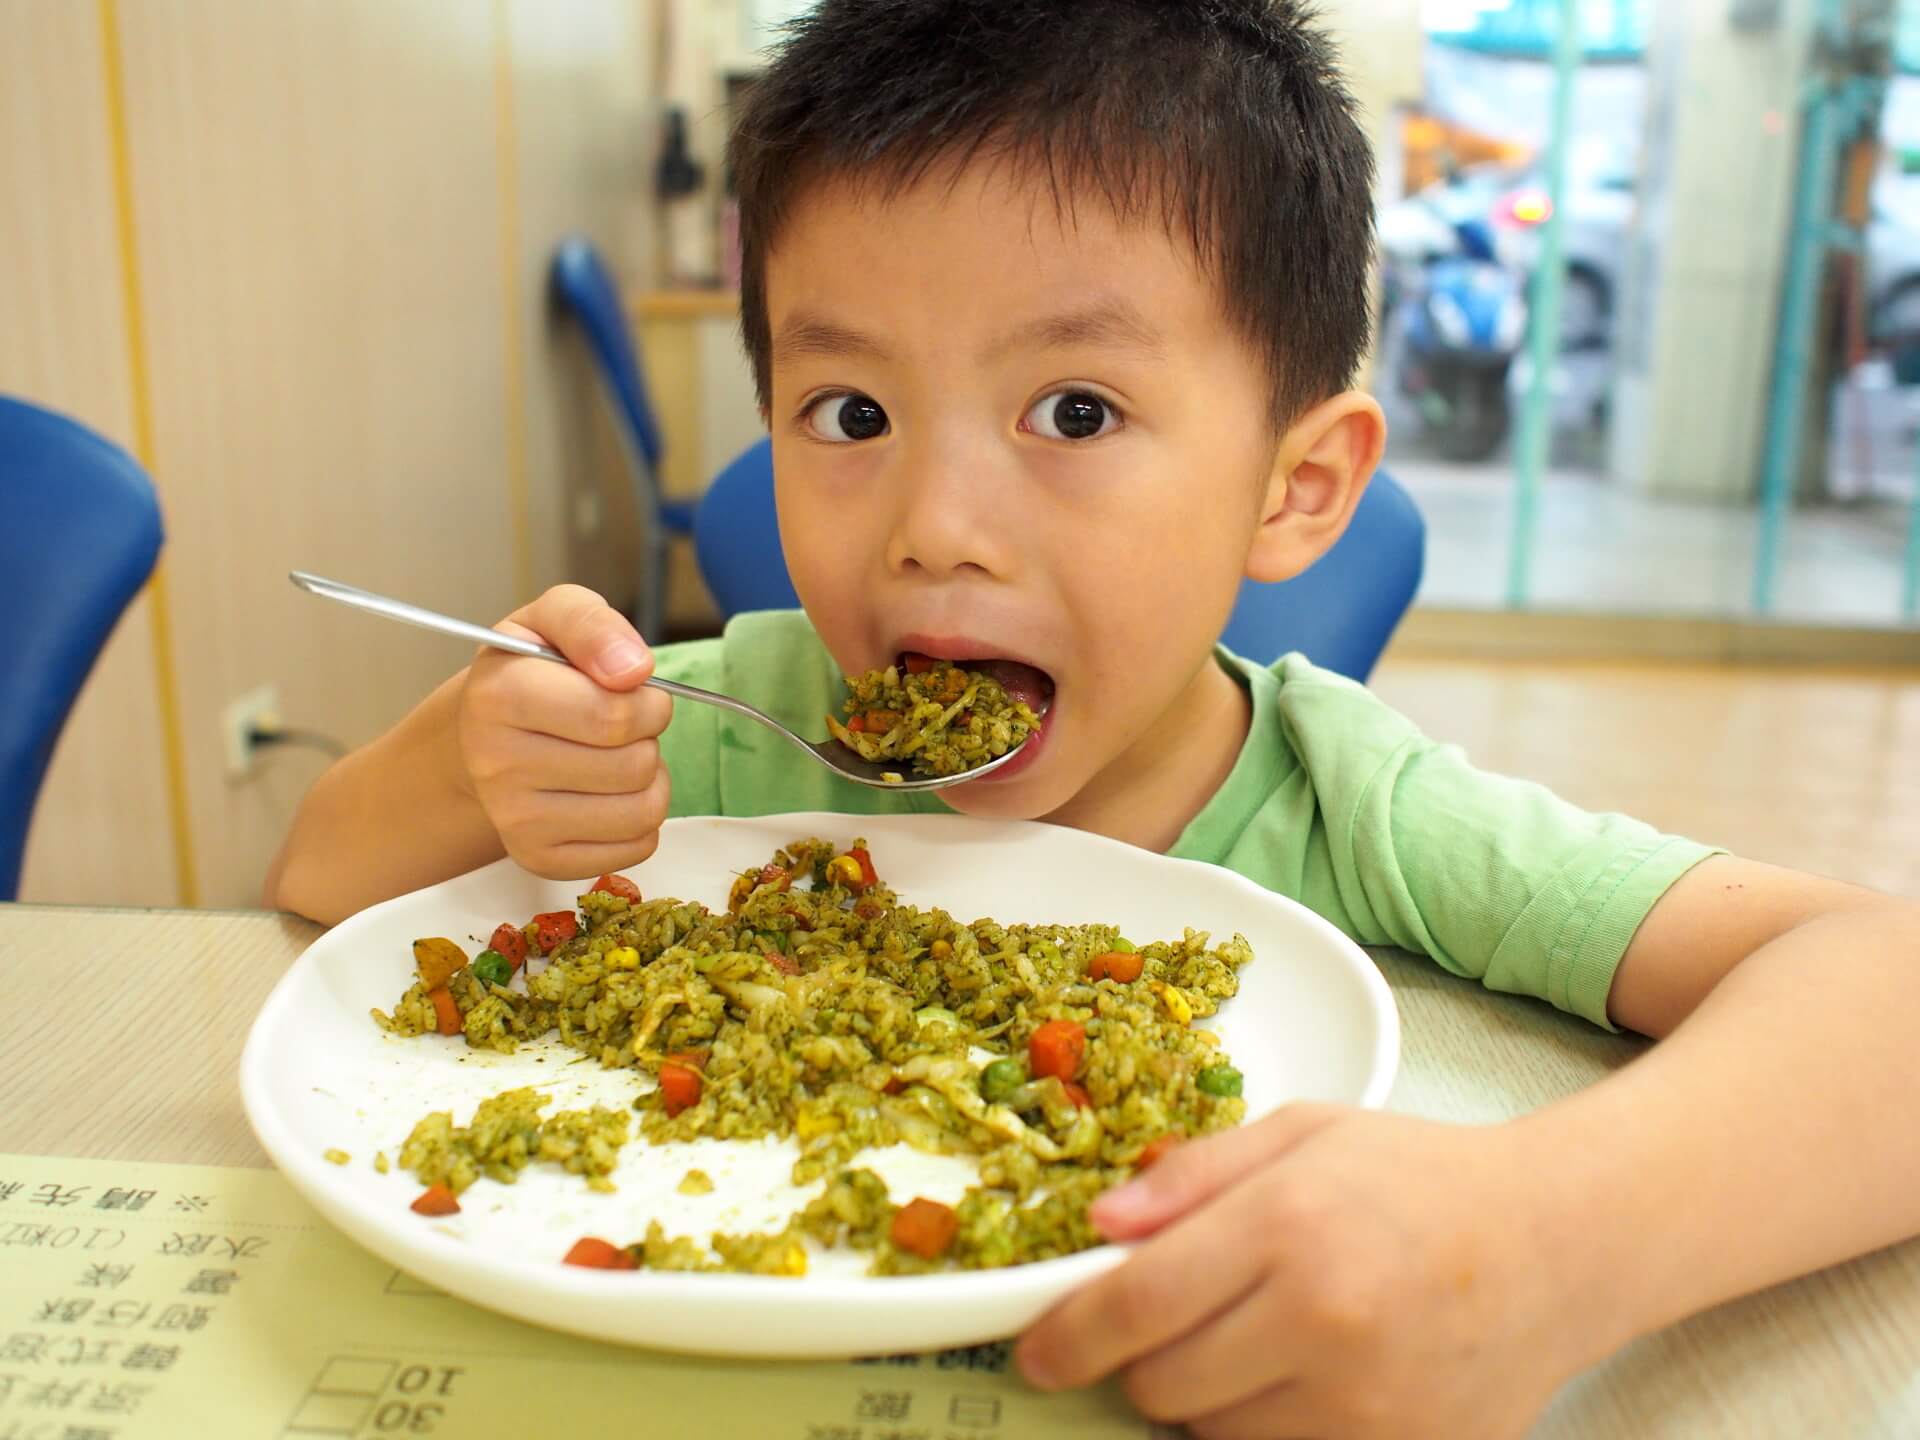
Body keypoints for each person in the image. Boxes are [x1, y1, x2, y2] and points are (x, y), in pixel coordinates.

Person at [268, 3, 1920, 1434]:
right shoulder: (721, 728)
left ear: (1296, 487)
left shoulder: (1355, 810)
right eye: (849, 411)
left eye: (1075, 408)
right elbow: (322, 875)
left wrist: (1555, 1247)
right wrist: (483, 752)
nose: (935, 524)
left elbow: (1884, 992)